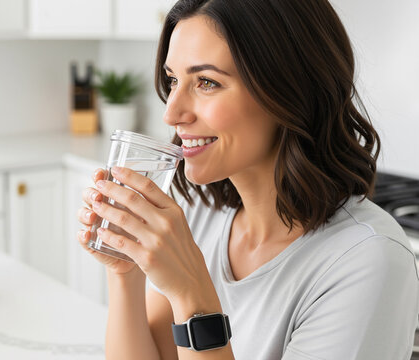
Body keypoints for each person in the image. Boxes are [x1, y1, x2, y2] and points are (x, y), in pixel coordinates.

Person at [75, 0, 419, 359]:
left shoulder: (365, 261)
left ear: (288, 89)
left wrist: (193, 297)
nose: (171, 113)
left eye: (206, 82)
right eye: (174, 80)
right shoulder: (198, 213)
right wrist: (126, 271)